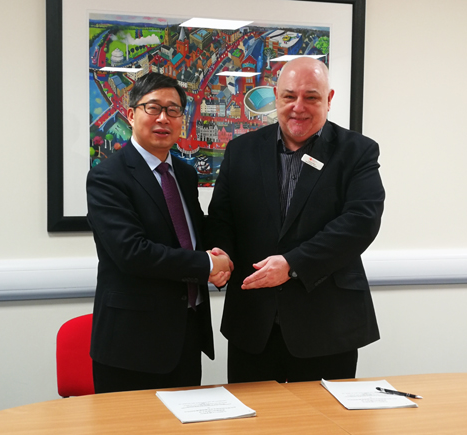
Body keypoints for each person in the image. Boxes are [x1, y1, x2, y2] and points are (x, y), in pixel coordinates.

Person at [207, 56, 385, 383]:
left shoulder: (357, 152)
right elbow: (221, 218)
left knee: (324, 417)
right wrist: (223, 256)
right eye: (289, 96)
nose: (298, 107)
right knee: (253, 417)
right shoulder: (240, 150)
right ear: (276, 97)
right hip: (253, 323)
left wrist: (292, 263)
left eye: (311, 97)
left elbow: (361, 221)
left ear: (329, 99)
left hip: (327, 326)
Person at [87, 72, 231, 393]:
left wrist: (222, 258)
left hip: (186, 334)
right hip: (132, 345)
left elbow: (192, 236)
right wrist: (207, 265)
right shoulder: (107, 177)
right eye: (153, 108)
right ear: (131, 114)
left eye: (173, 110)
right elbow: (132, 253)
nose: (163, 118)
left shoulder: (184, 174)